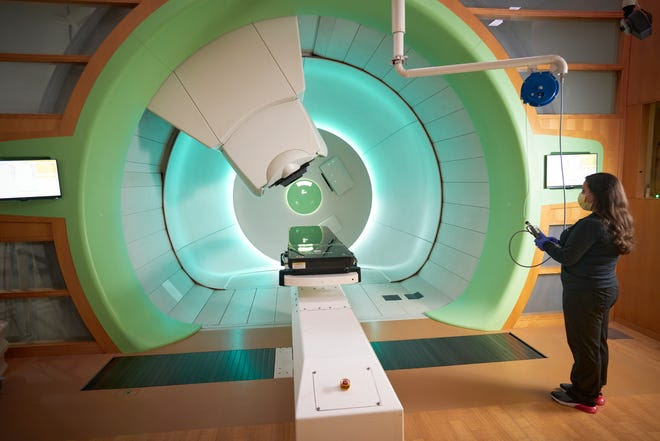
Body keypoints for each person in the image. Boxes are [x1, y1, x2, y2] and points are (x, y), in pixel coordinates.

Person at [534, 172, 635, 414]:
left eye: (585, 189)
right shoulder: (616, 219)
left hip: (585, 294)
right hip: (604, 289)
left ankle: (584, 397)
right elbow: (585, 250)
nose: (583, 194)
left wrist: (545, 243)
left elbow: (568, 257)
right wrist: (558, 242)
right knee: (596, 343)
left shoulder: (592, 225)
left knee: (583, 345)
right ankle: (591, 388)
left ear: (597, 194)